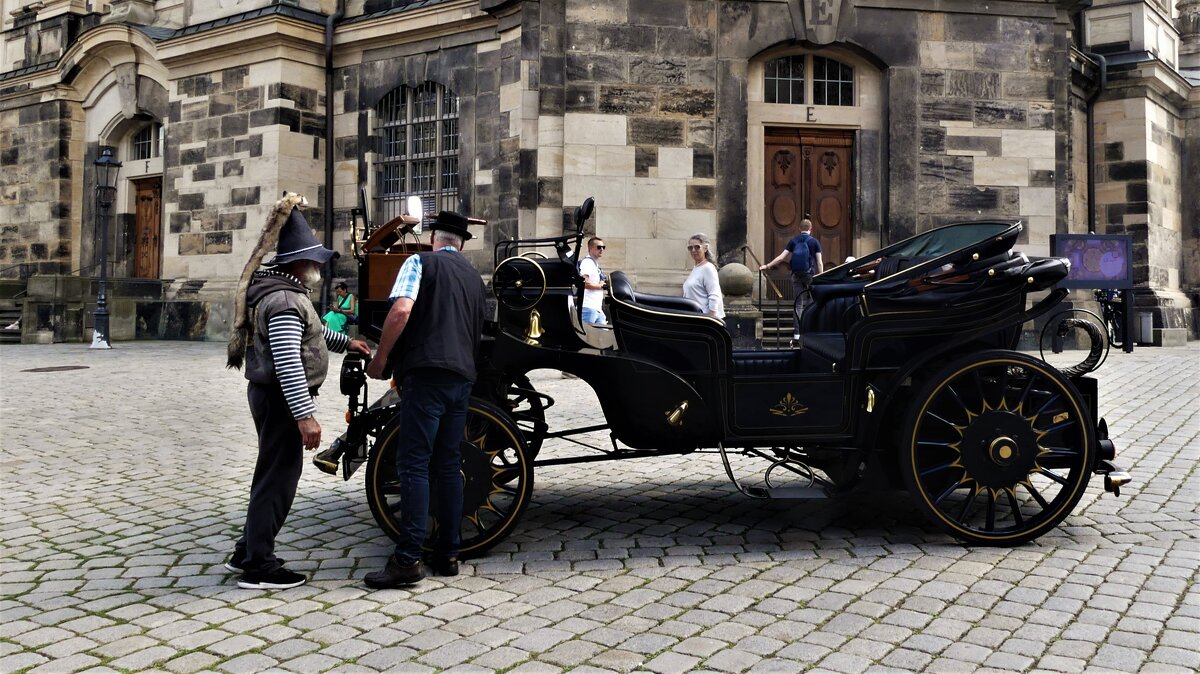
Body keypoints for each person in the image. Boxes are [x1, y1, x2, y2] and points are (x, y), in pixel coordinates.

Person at [225, 194, 371, 590]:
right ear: (300, 262)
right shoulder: (286, 298)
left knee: (270, 473)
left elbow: (314, 333)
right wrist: (305, 416)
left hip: (272, 398)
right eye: (314, 260)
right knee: (278, 478)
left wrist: (346, 343)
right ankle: (259, 565)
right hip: (281, 400)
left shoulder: (285, 291)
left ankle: (247, 549)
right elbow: (288, 360)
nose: (319, 267)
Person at [363, 210, 487, 589]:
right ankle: (448, 553)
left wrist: (381, 359)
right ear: (461, 243)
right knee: (448, 463)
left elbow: (400, 311)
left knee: (414, 463)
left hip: (425, 373)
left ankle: (408, 559)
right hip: (461, 377)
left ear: (434, 238)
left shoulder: (419, 262)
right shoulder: (474, 278)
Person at [759, 218, 823, 346]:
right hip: (809, 275)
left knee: (798, 304)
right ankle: (809, 328)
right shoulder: (814, 242)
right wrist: (821, 278)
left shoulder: (794, 241)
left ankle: (797, 333)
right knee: (813, 300)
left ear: (800, 229)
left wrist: (768, 265)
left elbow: (781, 257)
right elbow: (819, 262)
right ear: (811, 229)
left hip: (796, 274)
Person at [683, 233, 725, 321]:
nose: (693, 250)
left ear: (705, 248)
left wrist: (711, 318)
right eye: (690, 248)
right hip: (694, 317)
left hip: (704, 319)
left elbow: (714, 294)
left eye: (697, 247)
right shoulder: (696, 268)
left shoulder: (708, 268)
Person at [578, 236, 607, 324]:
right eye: (599, 247)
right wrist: (601, 285)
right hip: (588, 308)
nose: (601, 249)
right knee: (585, 336)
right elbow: (584, 283)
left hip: (597, 308)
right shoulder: (587, 263)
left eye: (603, 247)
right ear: (590, 248)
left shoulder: (594, 264)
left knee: (602, 336)